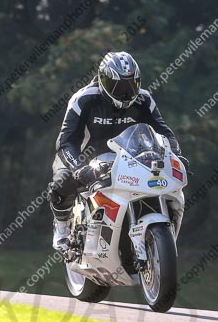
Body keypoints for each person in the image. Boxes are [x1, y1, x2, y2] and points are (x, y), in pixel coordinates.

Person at [48, 51, 187, 256]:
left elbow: (163, 132)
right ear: (103, 80)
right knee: (63, 180)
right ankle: (61, 228)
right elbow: (65, 141)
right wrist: (79, 167)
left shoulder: (144, 99)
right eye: (119, 86)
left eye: (131, 85)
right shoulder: (84, 99)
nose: (125, 92)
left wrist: (176, 154)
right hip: (85, 160)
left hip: (131, 159)